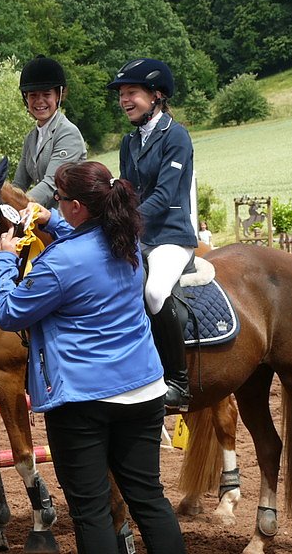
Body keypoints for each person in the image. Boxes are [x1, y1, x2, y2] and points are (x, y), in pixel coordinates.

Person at [0, 161, 186, 554]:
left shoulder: (59, 265)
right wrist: (52, 220)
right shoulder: (126, 239)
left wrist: (5, 259)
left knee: (91, 510)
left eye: (60, 201)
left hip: (83, 401)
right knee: (148, 498)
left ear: (77, 206)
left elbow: (9, 313)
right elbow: (85, 244)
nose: (58, 206)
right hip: (144, 390)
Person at [107, 58, 198, 412]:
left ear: (156, 95)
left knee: (155, 292)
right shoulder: (129, 142)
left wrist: (126, 220)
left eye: (132, 93)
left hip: (172, 236)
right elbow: (128, 189)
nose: (124, 100)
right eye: (122, 95)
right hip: (139, 234)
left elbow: (164, 194)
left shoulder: (176, 135)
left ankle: (178, 382)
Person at [13, 55, 87, 209]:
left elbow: (52, 183)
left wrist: (17, 206)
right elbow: (19, 184)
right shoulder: (31, 138)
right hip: (41, 217)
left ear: (58, 95)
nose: (39, 101)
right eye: (33, 95)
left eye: (46, 95)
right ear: (26, 99)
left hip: (67, 220)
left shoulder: (68, 133)